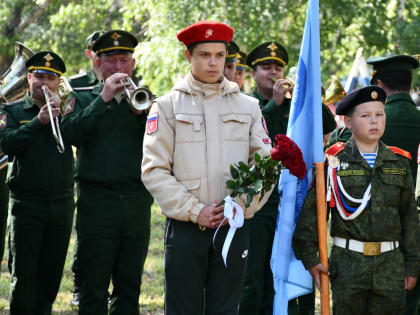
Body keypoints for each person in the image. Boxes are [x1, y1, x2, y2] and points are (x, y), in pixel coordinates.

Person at [141, 21, 273, 314]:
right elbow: (154, 169)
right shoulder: (166, 106)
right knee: (182, 309)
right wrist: (193, 210)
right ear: (189, 57)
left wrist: (238, 206)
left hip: (233, 225)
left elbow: (265, 166)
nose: (213, 62)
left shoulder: (249, 107)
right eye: (204, 55)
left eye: (219, 55)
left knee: (226, 309)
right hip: (186, 229)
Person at [293, 86, 420, 314]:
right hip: (348, 265)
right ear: (348, 122)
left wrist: (412, 264)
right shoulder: (333, 161)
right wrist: (312, 260)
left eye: (380, 115)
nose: (375, 121)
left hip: (390, 265)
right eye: (365, 115)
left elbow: (409, 217)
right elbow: (312, 215)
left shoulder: (398, 162)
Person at [239, 41, 336, 315]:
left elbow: (327, 128)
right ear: (253, 72)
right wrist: (274, 105)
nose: (273, 72)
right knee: (256, 273)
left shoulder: (297, 103)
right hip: (262, 202)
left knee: (297, 269)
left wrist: (311, 97)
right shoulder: (248, 104)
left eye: (278, 67)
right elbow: (254, 139)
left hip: (296, 201)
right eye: (266, 67)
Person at [61, 30, 153, 314]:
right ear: (98, 64)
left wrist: (142, 117)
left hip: (137, 202)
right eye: (109, 60)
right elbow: (70, 135)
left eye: (123, 60)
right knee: (93, 287)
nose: (117, 67)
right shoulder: (81, 96)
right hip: (97, 203)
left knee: (129, 288)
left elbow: (163, 141)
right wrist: (103, 98)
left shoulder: (146, 98)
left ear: (133, 64)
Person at [0, 51, 75, 314]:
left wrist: (64, 114)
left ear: (58, 82)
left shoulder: (68, 109)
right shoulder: (12, 109)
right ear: (29, 77)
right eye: (39, 76)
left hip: (62, 205)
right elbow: (7, 143)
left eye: (51, 78)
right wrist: (37, 122)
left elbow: (83, 135)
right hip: (26, 205)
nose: (44, 83)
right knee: (23, 276)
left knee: (51, 276)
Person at [68, 30, 104, 307]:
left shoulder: (133, 84)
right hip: (89, 170)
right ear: (89, 53)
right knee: (87, 236)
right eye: (96, 51)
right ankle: (81, 280)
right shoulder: (76, 85)